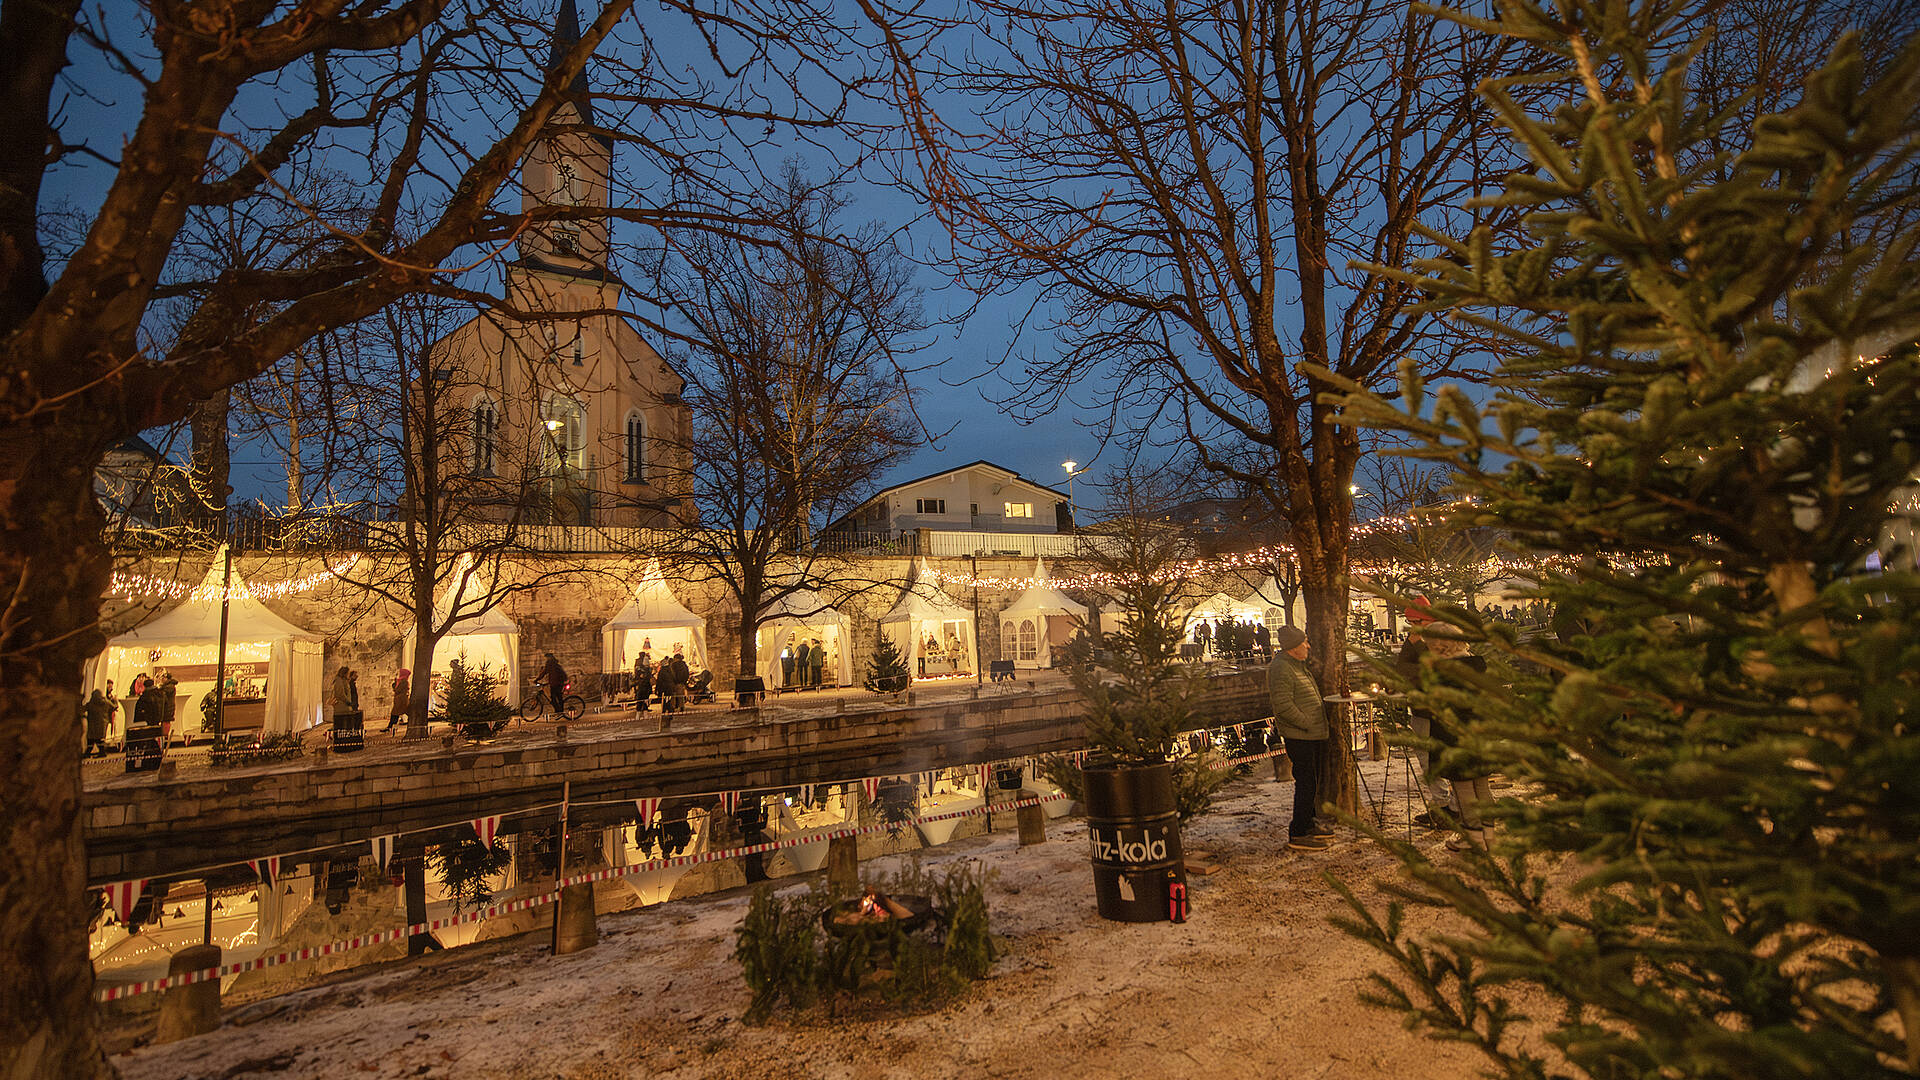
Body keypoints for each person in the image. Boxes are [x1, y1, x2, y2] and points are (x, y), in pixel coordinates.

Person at [1421, 631, 1493, 851]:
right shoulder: (1476, 666)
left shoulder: (1446, 673)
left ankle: (1473, 838)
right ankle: (1488, 835)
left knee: (1463, 789)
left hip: (1454, 737)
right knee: (1481, 785)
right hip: (1478, 733)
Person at [1268, 625, 1334, 851]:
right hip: (1300, 736)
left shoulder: (1297, 666)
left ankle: (1310, 821)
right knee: (1305, 783)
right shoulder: (1281, 669)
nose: (1308, 646)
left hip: (1311, 733)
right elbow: (1283, 705)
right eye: (1304, 642)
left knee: (1312, 781)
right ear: (1293, 647)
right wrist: (1307, 722)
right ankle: (1298, 831)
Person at [1394, 598, 1453, 826]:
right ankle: (1443, 805)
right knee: (1426, 758)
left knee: (1435, 758)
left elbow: (1434, 671)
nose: (1411, 626)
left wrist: (1416, 650)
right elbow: (1402, 668)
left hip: (1435, 709)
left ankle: (1450, 808)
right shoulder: (1416, 640)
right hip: (1421, 708)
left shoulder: (1440, 639)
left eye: (1414, 621)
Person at [85, 690, 112, 755]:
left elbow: (83, 708)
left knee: (91, 740)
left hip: (92, 725)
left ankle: (89, 753)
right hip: (102, 724)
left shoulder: (91, 704)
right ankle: (100, 752)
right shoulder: (105, 702)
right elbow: (114, 706)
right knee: (99, 739)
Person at [387, 668, 411, 732]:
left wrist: (395, 687)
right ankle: (390, 726)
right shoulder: (402, 681)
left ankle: (390, 726)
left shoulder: (404, 681)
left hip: (401, 700)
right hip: (400, 700)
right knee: (397, 713)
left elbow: (398, 690)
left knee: (395, 713)